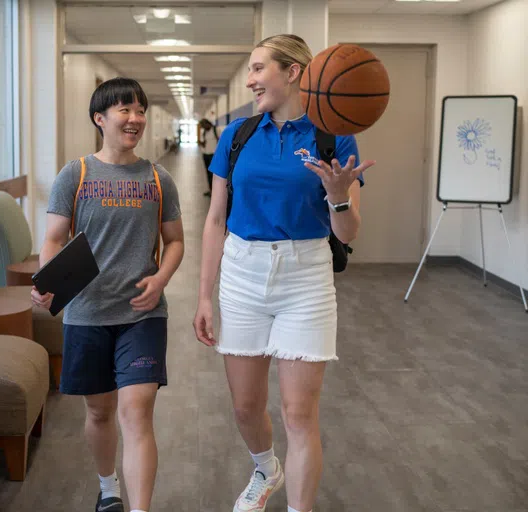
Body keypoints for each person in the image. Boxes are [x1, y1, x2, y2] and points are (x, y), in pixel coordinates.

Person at [192, 34, 375, 512]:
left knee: (299, 413)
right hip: (242, 273)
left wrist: (338, 194)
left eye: (258, 69)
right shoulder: (237, 135)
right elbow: (215, 220)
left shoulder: (334, 136)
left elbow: (348, 230)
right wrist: (204, 296)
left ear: (292, 72)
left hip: (306, 276)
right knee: (246, 407)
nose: (250, 80)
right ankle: (264, 468)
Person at [32, 77, 184, 512]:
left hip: (143, 314)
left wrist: (161, 280)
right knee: (99, 413)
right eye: (124, 110)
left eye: (139, 110)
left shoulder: (158, 179)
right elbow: (54, 239)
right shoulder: (75, 174)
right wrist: (47, 282)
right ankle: (108, 487)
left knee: (136, 414)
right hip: (87, 312)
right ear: (100, 118)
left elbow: (174, 241)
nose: (134, 118)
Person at [198, 118, 221, 196]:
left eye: (204, 126)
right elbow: (204, 143)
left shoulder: (216, 130)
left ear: (207, 123)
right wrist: (201, 143)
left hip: (213, 155)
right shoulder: (204, 132)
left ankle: (216, 191)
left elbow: (221, 141)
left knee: (214, 175)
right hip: (206, 155)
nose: (203, 128)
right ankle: (210, 190)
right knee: (208, 174)